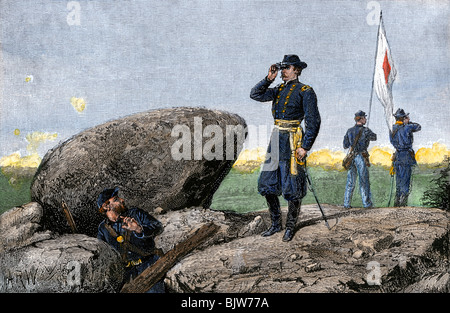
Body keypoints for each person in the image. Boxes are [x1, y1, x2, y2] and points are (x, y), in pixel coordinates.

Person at [250, 54, 321, 242]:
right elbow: (255, 94)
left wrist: (305, 147)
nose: (283, 71)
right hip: (276, 139)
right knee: (268, 183)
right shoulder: (279, 88)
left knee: (293, 185)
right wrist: (268, 79)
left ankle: (290, 226)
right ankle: (275, 224)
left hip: (293, 140)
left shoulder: (306, 91)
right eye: (282, 68)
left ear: (296, 70)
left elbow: (313, 121)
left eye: (287, 68)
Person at [97, 187, 165, 293]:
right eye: (116, 199)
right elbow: (102, 252)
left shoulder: (136, 214)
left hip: (148, 265)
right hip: (126, 274)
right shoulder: (103, 228)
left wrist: (138, 229)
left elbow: (158, 227)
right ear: (106, 206)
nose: (122, 200)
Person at [343, 110, 377, 209]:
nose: (366, 119)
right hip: (361, 157)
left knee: (350, 181)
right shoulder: (366, 130)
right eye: (364, 118)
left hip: (351, 157)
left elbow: (345, 145)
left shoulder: (349, 130)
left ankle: (346, 203)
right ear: (361, 119)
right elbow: (374, 137)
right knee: (363, 181)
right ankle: (366, 204)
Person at [389, 108, 421, 206]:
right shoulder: (407, 127)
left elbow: (392, 141)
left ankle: (397, 202)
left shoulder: (392, 128)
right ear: (403, 118)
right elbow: (418, 127)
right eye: (406, 117)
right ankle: (403, 204)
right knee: (406, 180)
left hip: (398, 156)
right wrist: (408, 122)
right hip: (406, 156)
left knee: (399, 180)